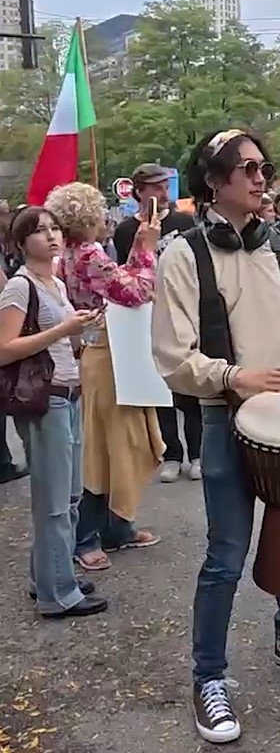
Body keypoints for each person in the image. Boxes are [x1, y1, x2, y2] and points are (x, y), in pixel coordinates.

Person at [152, 128, 280, 745]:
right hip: (226, 418)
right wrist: (233, 376)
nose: (260, 176)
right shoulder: (183, 254)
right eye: (246, 168)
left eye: (262, 166)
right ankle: (208, 678)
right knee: (226, 554)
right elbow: (173, 357)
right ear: (213, 180)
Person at [48, 182, 163, 573]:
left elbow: (119, 281)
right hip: (108, 356)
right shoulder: (89, 252)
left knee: (110, 443)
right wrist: (148, 248)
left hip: (98, 352)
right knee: (108, 445)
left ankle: (115, 527)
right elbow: (137, 291)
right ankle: (92, 536)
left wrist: (138, 248)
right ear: (89, 217)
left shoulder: (69, 253)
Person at [0, 206, 103, 617]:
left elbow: (62, 342)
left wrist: (80, 330)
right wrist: (63, 329)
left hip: (69, 392)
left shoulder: (55, 282)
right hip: (45, 400)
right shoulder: (19, 286)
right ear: (22, 242)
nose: (51, 236)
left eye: (55, 228)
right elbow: (4, 348)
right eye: (40, 230)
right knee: (54, 501)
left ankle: (48, 575)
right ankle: (57, 593)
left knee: (70, 496)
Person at [113, 164, 203, 483]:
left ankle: (197, 452)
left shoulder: (184, 222)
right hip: (147, 314)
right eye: (155, 188)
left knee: (189, 381)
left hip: (183, 308)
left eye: (165, 186)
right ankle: (171, 453)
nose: (163, 193)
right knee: (159, 386)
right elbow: (122, 276)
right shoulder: (125, 230)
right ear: (139, 192)